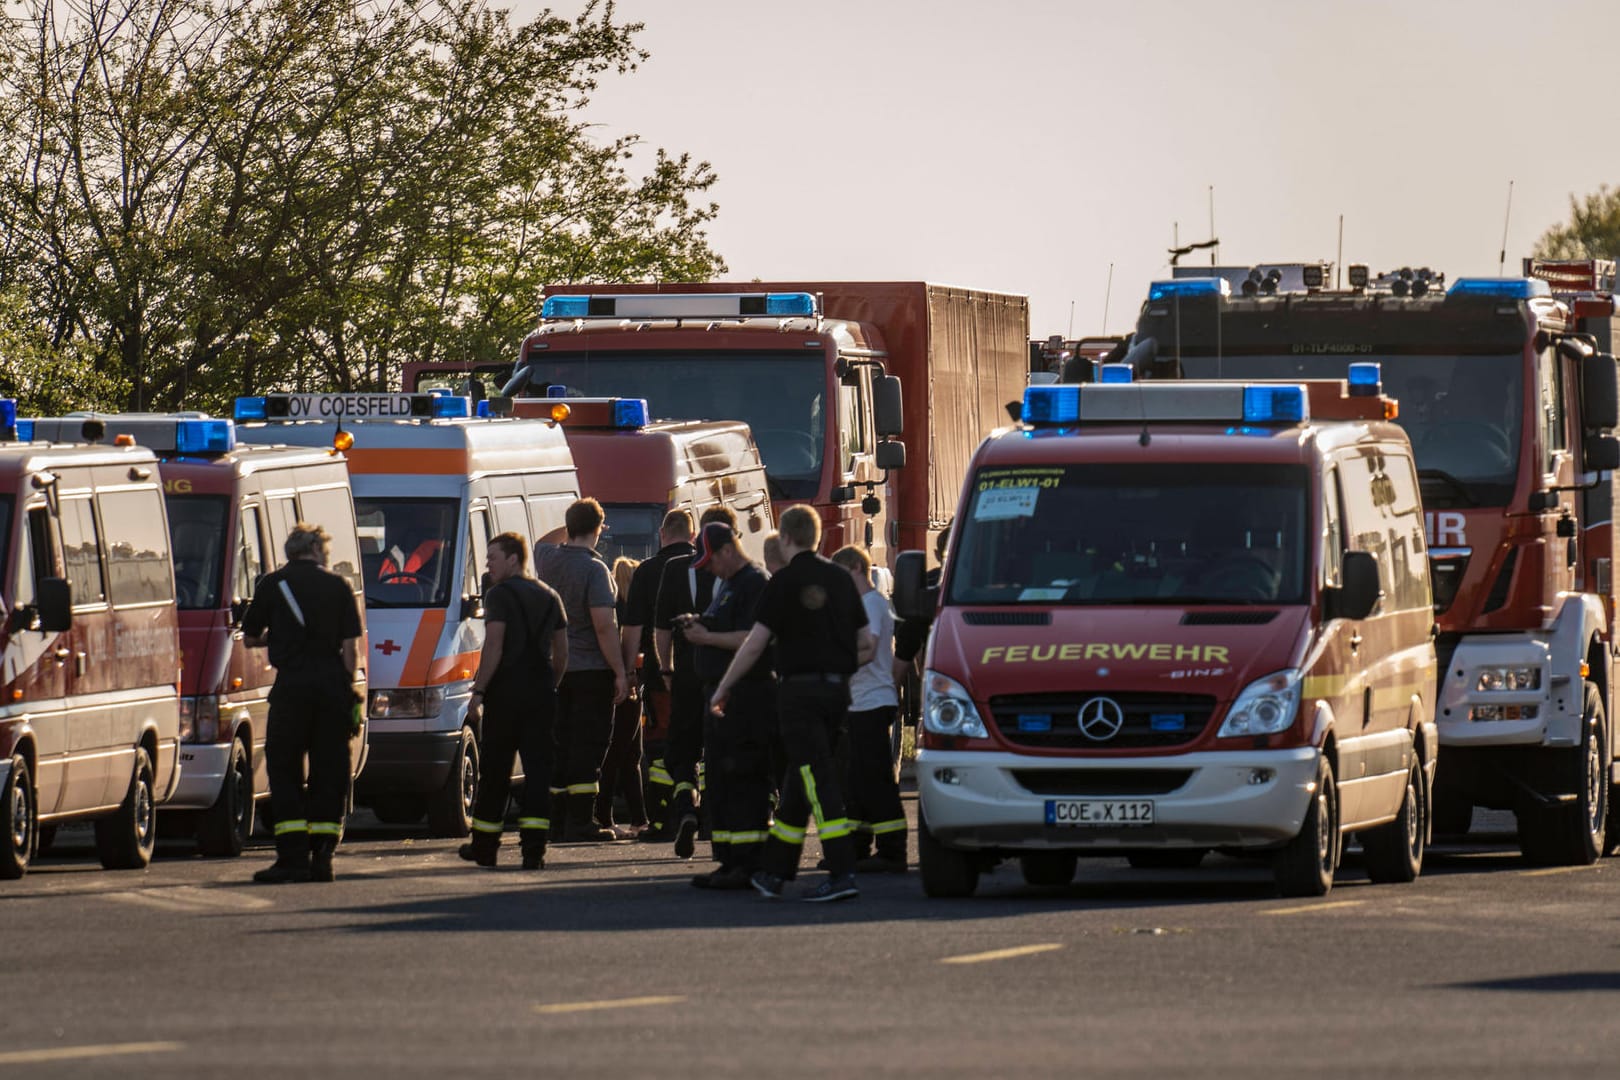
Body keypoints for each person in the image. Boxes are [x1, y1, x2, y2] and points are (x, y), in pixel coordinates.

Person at [711, 505, 875, 902]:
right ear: (817, 536)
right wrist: (836, 668)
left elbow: (754, 645)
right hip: (837, 693)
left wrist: (724, 686)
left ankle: (841, 871)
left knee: (817, 780)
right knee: (800, 781)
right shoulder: (840, 578)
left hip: (797, 694)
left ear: (785, 538)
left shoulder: (781, 584)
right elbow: (867, 644)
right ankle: (775, 871)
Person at [241, 523, 364, 884]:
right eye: (324, 548)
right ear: (313, 549)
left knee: (285, 770)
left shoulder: (272, 585)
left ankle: (292, 857)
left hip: (291, 689)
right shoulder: (339, 586)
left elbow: (249, 638)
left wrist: (278, 638)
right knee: (330, 770)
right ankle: (324, 854)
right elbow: (350, 648)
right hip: (332, 691)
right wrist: (348, 687)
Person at [460, 532, 567, 870]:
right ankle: (533, 851)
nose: (488, 564)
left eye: (493, 557)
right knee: (537, 773)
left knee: (495, 772)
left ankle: (485, 847)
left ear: (513, 559)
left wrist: (478, 692)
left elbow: (493, 645)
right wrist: (551, 683)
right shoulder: (550, 596)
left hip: (505, 694)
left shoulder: (500, 596)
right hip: (541, 694)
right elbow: (562, 651)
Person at [681, 521, 775, 889]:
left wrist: (708, 637)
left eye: (710, 562)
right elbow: (724, 627)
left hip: (746, 696)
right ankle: (728, 859)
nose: (709, 570)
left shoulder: (754, 582)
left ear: (727, 550)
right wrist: (700, 623)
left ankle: (747, 862)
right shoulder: (730, 585)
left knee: (743, 779)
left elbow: (754, 638)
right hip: (721, 695)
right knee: (720, 779)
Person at [537, 498, 629, 842]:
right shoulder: (595, 570)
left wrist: (573, 525)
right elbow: (604, 625)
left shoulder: (547, 559)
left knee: (559, 743)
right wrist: (619, 670)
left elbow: (544, 539)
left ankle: (557, 820)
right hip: (591, 668)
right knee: (588, 745)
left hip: (555, 668)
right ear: (599, 529)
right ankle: (581, 820)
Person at [654, 505, 740, 859]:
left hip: (688, 675)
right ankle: (719, 823)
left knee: (681, 751)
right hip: (729, 674)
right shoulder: (738, 574)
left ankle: (687, 807)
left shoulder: (676, 569)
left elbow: (661, 629)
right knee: (723, 750)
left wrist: (666, 669)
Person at [619, 510, 696, 841]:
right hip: (704, 669)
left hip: (660, 673)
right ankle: (703, 812)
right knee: (701, 745)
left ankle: (664, 819)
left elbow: (633, 627)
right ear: (692, 536)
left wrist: (627, 672)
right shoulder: (704, 567)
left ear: (662, 533)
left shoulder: (648, 571)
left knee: (661, 745)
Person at [830, 545, 907, 873]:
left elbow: (870, 647)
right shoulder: (862, 605)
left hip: (873, 702)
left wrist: (833, 665)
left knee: (875, 779)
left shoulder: (872, 604)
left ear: (855, 571)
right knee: (856, 780)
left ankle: (892, 850)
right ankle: (857, 847)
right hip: (859, 702)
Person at [595, 555, 649, 838]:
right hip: (629, 686)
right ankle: (611, 817)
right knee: (625, 755)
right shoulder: (633, 611)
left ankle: (636, 818)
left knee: (625, 754)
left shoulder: (614, 607)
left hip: (618, 684)